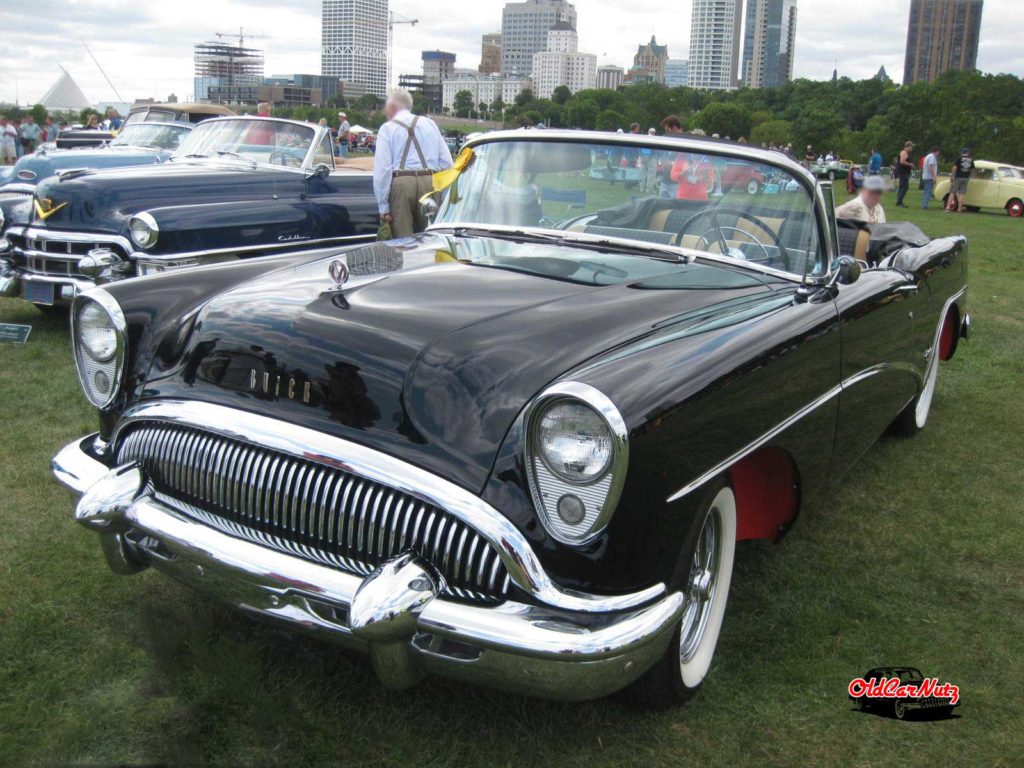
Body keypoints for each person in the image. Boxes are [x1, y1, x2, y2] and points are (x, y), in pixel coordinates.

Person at [373, 87, 453, 238]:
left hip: (401, 183)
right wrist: (443, 197)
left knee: (403, 243)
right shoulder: (430, 124)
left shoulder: (387, 129)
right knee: (433, 239)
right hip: (430, 183)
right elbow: (447, 163)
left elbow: (383, 170)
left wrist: (383, 206)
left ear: (392, 107)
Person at [948, 147, 975, 212]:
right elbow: (973, 170)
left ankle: (948, 207)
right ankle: (959, 208)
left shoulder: (958, 159)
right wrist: (970, 176)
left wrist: (952, 176)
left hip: (958, 177)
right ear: (968, 153)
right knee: (962, 193)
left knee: (952, 192)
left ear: (961, 152)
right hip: (966, 178)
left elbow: (954, 168)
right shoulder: (971, 160)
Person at [894, 141, 914, 207]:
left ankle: (899, 201)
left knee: (902, 186)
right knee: (905, 187)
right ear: (908, 146)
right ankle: (899, 202)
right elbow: (902, 161)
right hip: (903, 172)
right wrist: (910, 164)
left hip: (904, 172)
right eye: (911, 147)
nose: (912, 148)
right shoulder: (904, 152)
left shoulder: (906, 153)